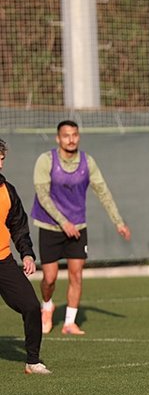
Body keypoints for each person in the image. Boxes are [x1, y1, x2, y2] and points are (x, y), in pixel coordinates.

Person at [30, 120, 131, 335]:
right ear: (58, 138)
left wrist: (118, 222)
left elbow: (103, 192)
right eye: (66, 135)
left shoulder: (87, 162)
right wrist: (63, 222)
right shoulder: (46, 160)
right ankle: (47, 306)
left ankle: (69, 323)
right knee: (49, 278)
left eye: (74, 135)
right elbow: (42, 196)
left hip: (77, 227)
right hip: (50, 227)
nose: (71, 139)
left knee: (76, 275)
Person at [0, 139, 51, 374]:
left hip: (3, 261)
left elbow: (18, 227)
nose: (0, 164)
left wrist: (27, 254)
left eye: (2, 159)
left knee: (31, 306)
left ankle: (32, 361)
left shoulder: (7, 191)